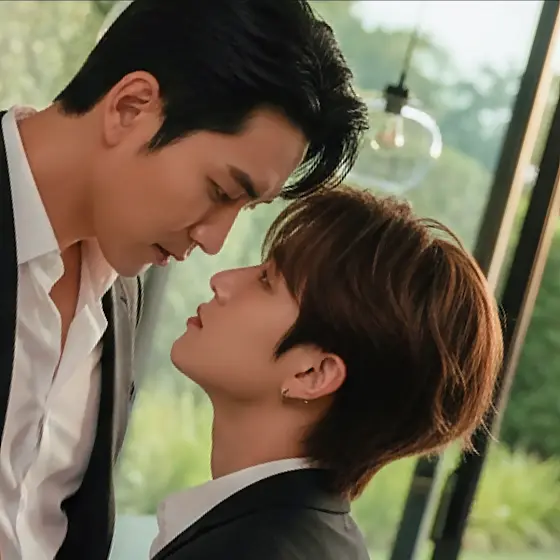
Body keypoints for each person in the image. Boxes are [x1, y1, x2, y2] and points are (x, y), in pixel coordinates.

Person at [0, 1, 368, 558]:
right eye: (221, 191)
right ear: (130, 106)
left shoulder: (121, 288)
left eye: (244, 209)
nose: (214, 241)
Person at [151, 186, 504, 560]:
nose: (222, 281)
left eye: (267, 281)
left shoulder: (247, 550)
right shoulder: (318, 539)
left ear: (313, 374)